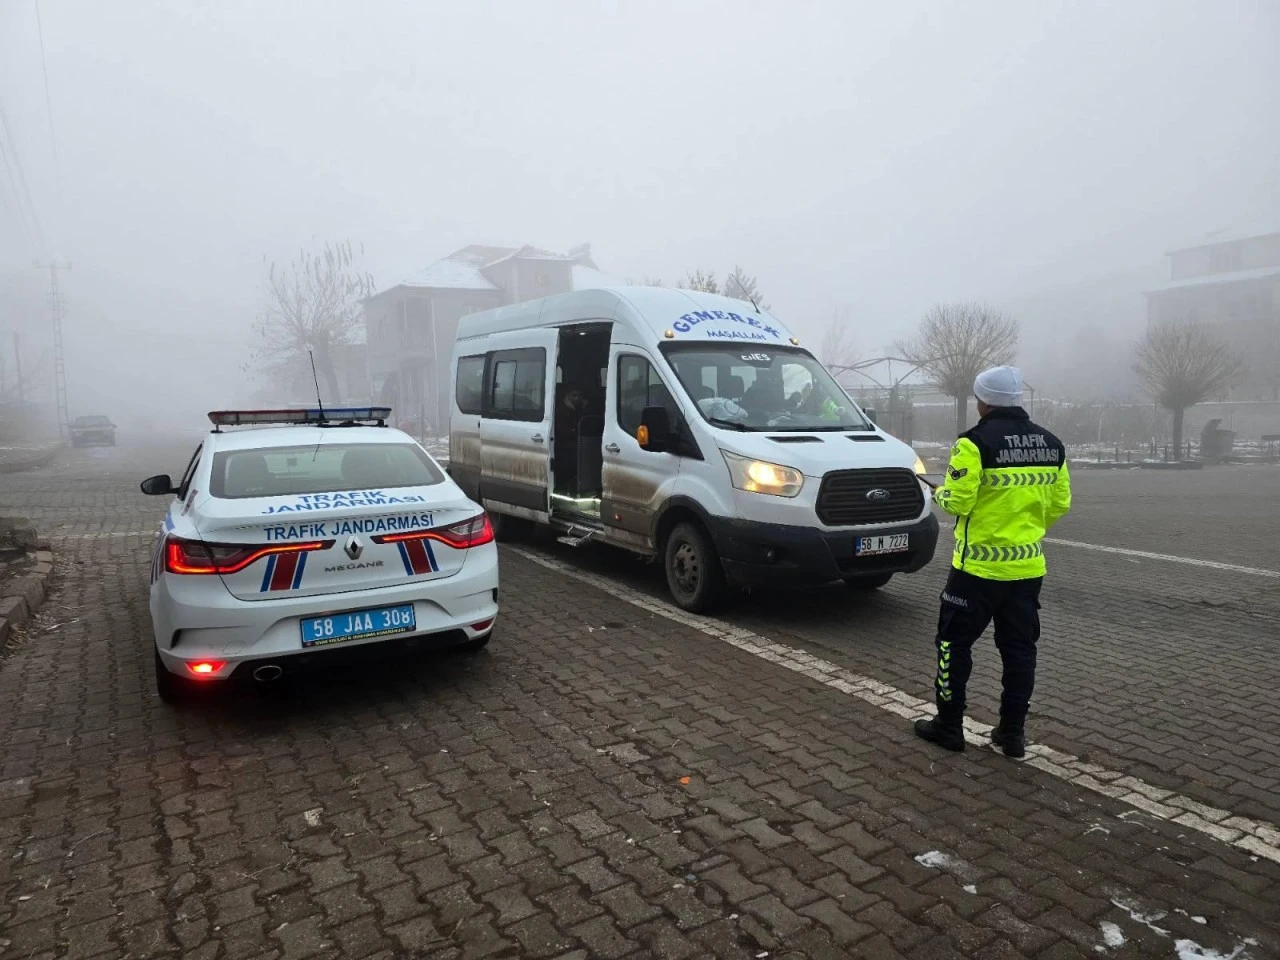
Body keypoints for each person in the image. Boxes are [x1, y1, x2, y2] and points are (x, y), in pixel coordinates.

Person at [914, 365, 1072, 758]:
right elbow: (1060, 503)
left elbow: (959, 501)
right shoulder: (1051, 445)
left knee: (953, 645)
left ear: (982, 402)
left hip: (975, 572)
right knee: (1019, 652)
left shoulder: (973, 443)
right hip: (1026, 570)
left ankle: (949, 726)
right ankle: (1012, 733)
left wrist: (939, 496)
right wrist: (1025, 530)